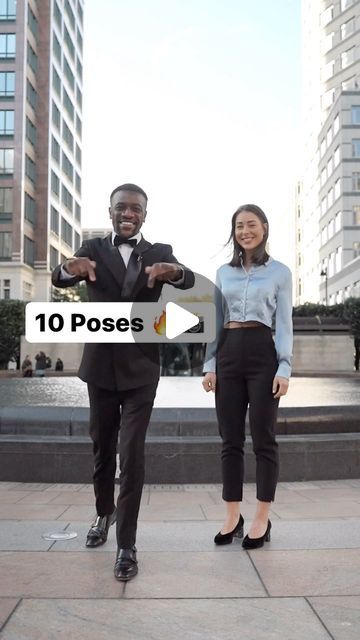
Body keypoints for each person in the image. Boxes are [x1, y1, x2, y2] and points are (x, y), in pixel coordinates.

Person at [51, 183, 194, 581]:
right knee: (102, 447)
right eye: (120, 208)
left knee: (131, 454)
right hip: (99, 368)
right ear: (110, 211)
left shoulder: (160, 252)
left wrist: (176, 272)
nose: (127, 213)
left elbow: (187, 281)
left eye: (135, 209)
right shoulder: (93, 248)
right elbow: (60, 278)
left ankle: (127, 545)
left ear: (144, 215)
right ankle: (104, 513)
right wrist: (67, 269)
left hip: (141, 369)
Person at [202, 204, 293, 549]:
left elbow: (284, 323)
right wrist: (210, 363)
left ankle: (261, 518)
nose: (245, 231)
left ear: (264, 228)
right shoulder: (223, 273)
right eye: (239, 226)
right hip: (228, 354)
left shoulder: (280, 273)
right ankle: (232, 515)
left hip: (262, 354)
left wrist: (284, 367)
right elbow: (214, 320)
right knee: (230, 439)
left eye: (251, 225)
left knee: (264, 437)